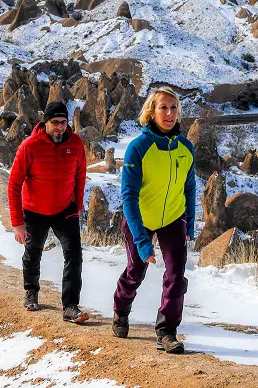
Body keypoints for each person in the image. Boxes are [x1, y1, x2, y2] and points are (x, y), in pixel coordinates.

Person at [112, 87, 196, 354]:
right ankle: (121, 308)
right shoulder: (139, 147)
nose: (169, 113)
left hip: (173, 218)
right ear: (152, 111)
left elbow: (190, 187)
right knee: (136, 271)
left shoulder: (185, 147)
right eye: (163, 108)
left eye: (173, 108)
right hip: (141, 218)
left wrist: (189, 223)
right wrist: (141, 241)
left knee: (176, 274)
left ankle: (166, 331)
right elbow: (128, 196)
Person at [7, 100, 89, 323]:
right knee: (33, 253)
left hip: (66, 209)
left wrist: (78, 205)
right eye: (55, 122)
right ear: (45, 122)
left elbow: (80, 175)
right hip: (35, 210)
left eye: (64, 122)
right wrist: (17, 223)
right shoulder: (30, 146)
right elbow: (14, 184)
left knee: (74, 255)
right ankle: (31, 290)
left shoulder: (76, 143)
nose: (60, 127)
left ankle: (70, 306)